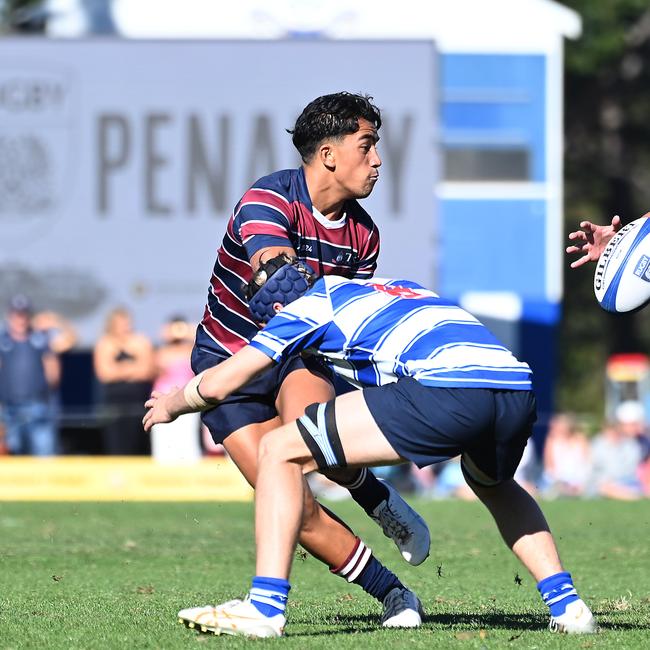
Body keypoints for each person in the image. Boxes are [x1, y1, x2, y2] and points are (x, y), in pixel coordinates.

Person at [143, 256, 598, 638]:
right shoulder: (388, 286)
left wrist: (172, 404)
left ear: (279, 306)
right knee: (493, 484)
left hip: (447, 388)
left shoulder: (303, 310)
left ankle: (264, 607)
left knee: (279, 449)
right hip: (514, 385)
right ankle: (568, 606)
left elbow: (226, 379)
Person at [182, 93, 431, 627]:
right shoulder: (268, 200)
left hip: (298, 356)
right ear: (328, 154)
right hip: (228, 364)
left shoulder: (364, 235)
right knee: (294, 503)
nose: (378, 160)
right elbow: (276, 283)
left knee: (311, 441)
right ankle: (394, 593)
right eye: (367, 147)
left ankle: (374, 498)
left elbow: (335, 326)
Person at [0, 295, 76, 455]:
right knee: (13, 460)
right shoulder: (3, 341)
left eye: (24, 315)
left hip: (38, 408)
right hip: (9, 411)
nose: (21, 320)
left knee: (44, 458)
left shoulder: (40, 339)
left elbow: (71, 339)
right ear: (10, 317)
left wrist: (55, 320)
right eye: (17, 315)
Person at [93, 307, 155, 455]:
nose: (126, 326)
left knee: (139, 445)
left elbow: (147, 370)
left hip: (138, 404)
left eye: (127, 323)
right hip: (114, 406)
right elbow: (105, 374)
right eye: (121, 323)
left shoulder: (140, 340)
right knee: (116, 446)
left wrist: (119, 369)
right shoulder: (105, 343)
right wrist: (133, 368)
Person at [150, 315, 202, 464]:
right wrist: (166, 336)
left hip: (187, 400)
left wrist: (190, 332)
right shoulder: (162, 352)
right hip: (162, 399)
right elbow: (154, 366)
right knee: (163, 441)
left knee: (187, 439)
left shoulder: (192, 349)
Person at [541, 413, 591, 498]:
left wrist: (579, 481)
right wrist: (561, 481)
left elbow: (586, 462)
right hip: (557, 480)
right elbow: (549, 467)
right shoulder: (551, 440)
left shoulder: (581, 439)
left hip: (578, 479)